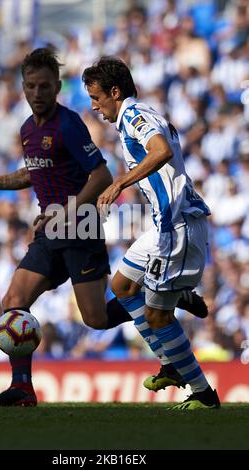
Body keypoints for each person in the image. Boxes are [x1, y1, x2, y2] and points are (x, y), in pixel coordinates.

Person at [0, 47, 207, 407]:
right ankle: (22, 388)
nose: (38, 93)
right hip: (51, 230)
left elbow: (101, 174)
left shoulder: (69, 124)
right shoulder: (28, 129)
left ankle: (167, 296)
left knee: (96, 318)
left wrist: (68, 212)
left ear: (57, 87)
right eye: (31, 86)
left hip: (80, 226)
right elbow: (33, 173)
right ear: (24, 88)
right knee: (12, 302)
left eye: (45, 86)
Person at [82, 56, 220, 410]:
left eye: (97, 97)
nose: (94, 105)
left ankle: (203, 394)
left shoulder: (134, 115)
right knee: (122, 287)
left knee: (158, 317)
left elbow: (161, 150)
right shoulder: (133, 116)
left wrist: (119, 182)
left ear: (116, 92)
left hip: (178, 225)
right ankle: (171, 356)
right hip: (162, 227)